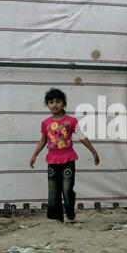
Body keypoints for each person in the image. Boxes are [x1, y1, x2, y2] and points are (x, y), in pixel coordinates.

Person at [30, 88, 100, 223]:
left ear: (64, 104)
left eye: (58, 101)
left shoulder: (71, 121)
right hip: (52, 160)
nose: (54, 105)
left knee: (67, 189)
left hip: (68, 159)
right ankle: (57, 217)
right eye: (51, 102)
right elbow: (43, 140)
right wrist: (35, 154)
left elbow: (81, 136)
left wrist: (93, 151)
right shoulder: (46, 123)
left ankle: (70, 215)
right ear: (47, 104)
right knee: (53, 190)